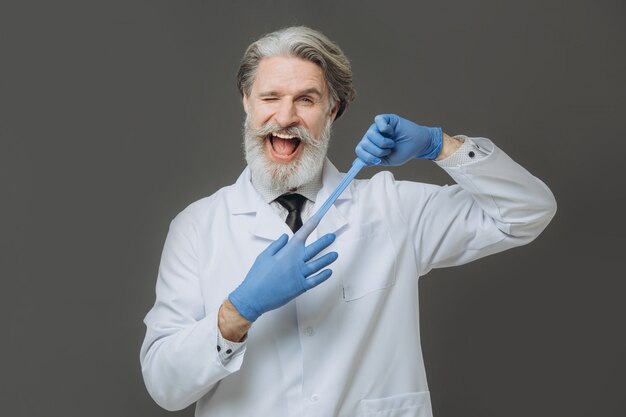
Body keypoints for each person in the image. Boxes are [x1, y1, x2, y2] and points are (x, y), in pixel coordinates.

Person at [140, 26, 556, 417]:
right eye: (270, 97)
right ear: (247, 102)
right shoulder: (197, 227)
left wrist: (437, 145)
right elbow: (164, 385)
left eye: (307, 99)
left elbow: (527, 212)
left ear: (332, 110)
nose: (285, 118)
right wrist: (238, 311)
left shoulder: (392, 207)